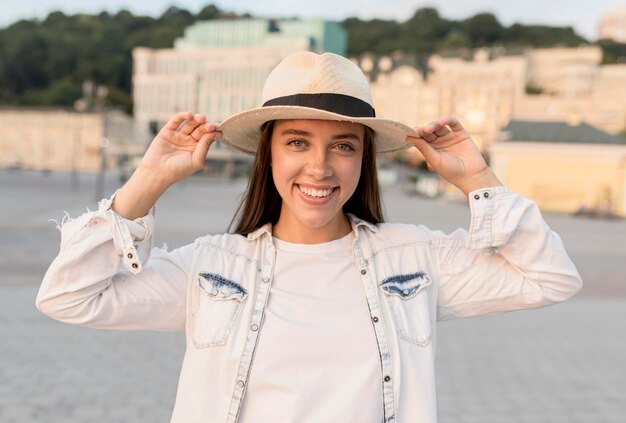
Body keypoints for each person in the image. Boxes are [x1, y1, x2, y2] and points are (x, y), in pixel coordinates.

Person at [36, 51, 582, 423]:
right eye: (297, 142)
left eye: (343, 146)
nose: (320, 168)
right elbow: (69, 297)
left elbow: (550, 279)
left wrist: (477, 180)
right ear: (268, 152)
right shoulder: (211, 269)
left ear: (363, 158)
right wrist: (148, 181)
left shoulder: (413, 260)